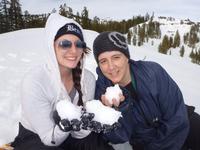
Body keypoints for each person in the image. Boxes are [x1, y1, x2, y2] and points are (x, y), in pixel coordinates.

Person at [11, 13, 114, 150]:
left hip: (70, 136)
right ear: (51, 46)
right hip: (36, 138)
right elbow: (50, 139)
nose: (73, 51)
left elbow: (79, 136)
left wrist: (85, 125)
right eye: (65, 44)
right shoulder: (34, 81)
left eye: (79, 44)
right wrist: (66, 126)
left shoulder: (87, 79)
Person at [93, 31, 200, 150]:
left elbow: (176, 117)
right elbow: (118, 137)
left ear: (126, 57)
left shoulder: (152, 72)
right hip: (147, 143)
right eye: (103, 61)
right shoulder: (102, 93)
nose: (111, 66)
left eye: (116, 57)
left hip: (183, 123)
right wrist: (118, 109)